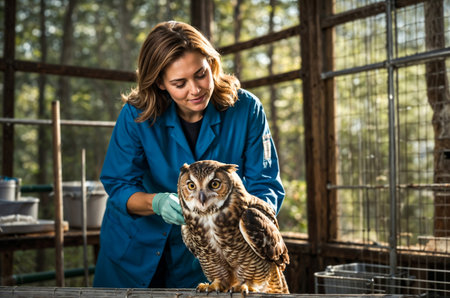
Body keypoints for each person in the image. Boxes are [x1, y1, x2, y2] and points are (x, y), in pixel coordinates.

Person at [93, 20, 285, 289]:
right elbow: (119, 185)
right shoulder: (136, 114)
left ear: (212, 64)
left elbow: (265, 185)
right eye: (179, 83)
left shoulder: (246, 109)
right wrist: (157, 203)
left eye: (200, 74)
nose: (195, 89)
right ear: (160, 83)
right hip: (133, 248)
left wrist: (241, 227)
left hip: (213, 257)